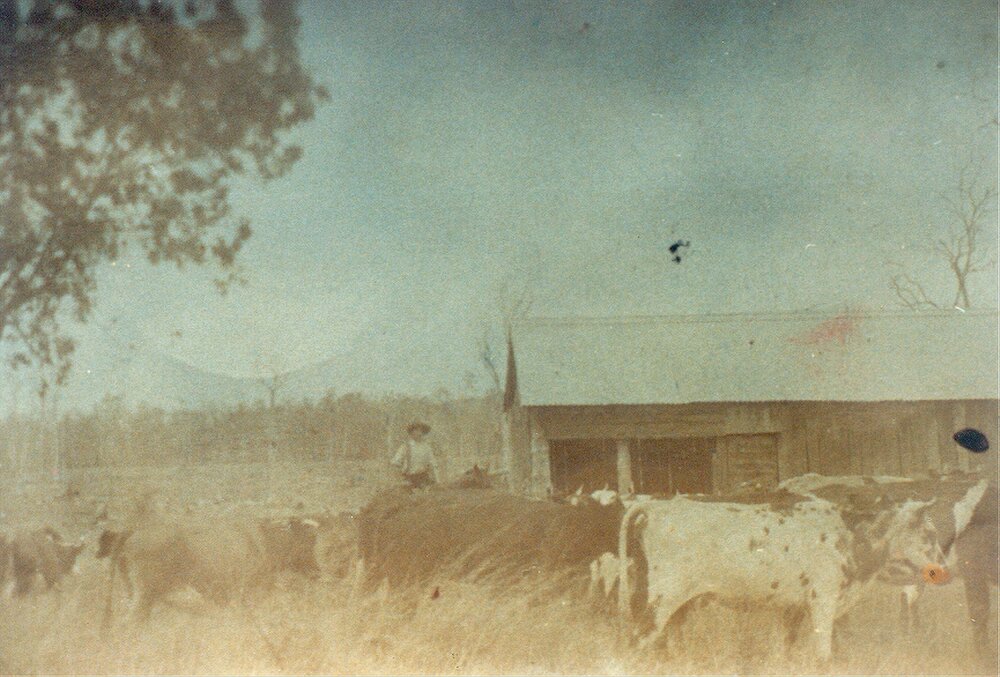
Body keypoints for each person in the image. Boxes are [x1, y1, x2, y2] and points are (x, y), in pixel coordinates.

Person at [391, 422, 439, 489]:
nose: (419, 433)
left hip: (423, 479)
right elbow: (395, 462)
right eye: (416, 430)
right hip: (409, 479)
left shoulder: (427, 447)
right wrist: (398, 478)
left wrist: (437, 480)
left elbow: (433, 464)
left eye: (421, 431)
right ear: (411, 433)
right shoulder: (405, 447)